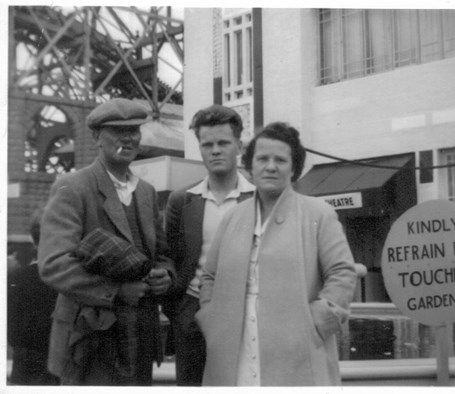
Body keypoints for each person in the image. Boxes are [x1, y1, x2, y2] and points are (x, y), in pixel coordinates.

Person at [195, 121, 357, 386]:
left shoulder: (318, 213)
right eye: (262, 159)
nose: (271, 166)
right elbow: (209, 276)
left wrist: (317, 322)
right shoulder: (232, 217)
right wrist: (212, 319)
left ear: (294, 168)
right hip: (234, 344)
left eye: (280, 160)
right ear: (250, 166)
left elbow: (342, 273)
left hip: (299, 347)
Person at [37, 98, 175, 386]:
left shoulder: (146, 192)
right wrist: (116, 291)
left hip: (139, 337)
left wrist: (166, 275)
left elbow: (161, 254)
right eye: (116, 131)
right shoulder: (72, 187)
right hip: (89, 340)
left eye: (134, 130)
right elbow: (53, 264)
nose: (128, 138)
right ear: (97, 137)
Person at [163, 104, 255, 386]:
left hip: (247, 311)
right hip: (193, 314)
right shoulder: (182, 200)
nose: (215, 150)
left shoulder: (259, 197)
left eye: (223, 143)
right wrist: (179, 312)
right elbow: (169, 256)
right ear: (200, 149)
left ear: (239, 145)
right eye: (207, 144)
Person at [7, 208, 59, 385]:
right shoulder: (70, 281)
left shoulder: (15, 278)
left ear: (33, 238)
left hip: (24, 374)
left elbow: (12, 336)